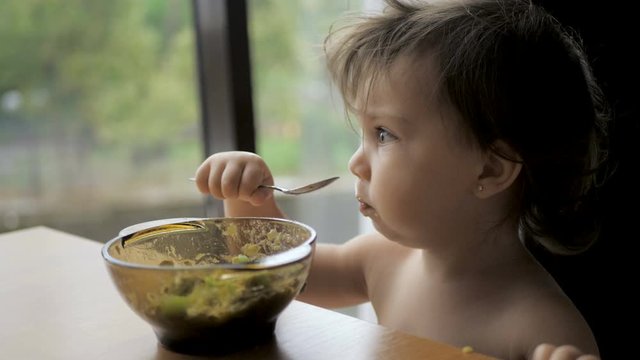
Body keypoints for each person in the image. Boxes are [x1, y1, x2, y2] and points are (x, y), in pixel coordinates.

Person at [193, 0, 609, 358]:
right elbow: (279, 279)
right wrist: (250, 201)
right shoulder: (382, 260)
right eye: (365, 132)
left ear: (490, 169)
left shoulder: (543, 329)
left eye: (384, 134)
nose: (357, 161)